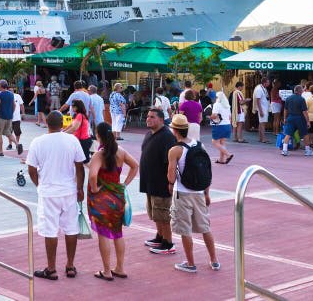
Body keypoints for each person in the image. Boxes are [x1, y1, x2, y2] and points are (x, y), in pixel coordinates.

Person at [26, 111, 86, 281]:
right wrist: (80, 188)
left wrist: (39, 184)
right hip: (68, 190)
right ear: (62, 124)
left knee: (50, 230)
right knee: (71, 228)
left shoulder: (38, 141)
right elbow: (80, 166)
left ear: (47, 123)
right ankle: (70, 265)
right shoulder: (72, 140)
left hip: (48, 192)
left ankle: (51, 268)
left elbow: (31, 168)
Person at [166, 115, 219, 273]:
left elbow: (171, 176)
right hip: (199, 192)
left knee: (185, 229)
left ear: (174, 131)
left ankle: (190, 263)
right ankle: (214, 260)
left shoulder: (175, 150)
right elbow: (206, 171)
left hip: (182, 193)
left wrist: (170, 185)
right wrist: (206, 193)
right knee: (205, 227)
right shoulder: (199, 146)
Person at [87, 122, 139, 280]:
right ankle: (120, 268)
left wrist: (95, 189)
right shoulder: (120, 151)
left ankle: (107, 271)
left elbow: (93, 175)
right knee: (117, 233)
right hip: (117, 197)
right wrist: (125, 184)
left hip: (102, 198)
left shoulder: (99, 154)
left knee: (103, 234)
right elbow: (135, 165)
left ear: (98, 135)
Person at [141, 108, 177, 255]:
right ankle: (160, 236)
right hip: (150, 182)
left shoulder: (167, 137)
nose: (148, 119)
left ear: (162, 120)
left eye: (152, 117)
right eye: (148, 116)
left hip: (161, 183)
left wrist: (170, 182)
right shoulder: (150, 133)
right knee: (154, 213)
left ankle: (168, 243)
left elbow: (170, 163)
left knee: (162, 214)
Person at [282, 85, 313, 157]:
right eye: (302, 90)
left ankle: (284, 150)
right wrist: (308, 121)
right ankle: (307, 150)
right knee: (305, 134)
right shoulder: (301, 99)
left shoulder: (288, 98)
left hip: (290, 117)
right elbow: (304, 112)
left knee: (288, 133)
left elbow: (285, 110)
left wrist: (284, 118)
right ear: (300, 91)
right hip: (300, 118)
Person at [0, 80, 20, 156]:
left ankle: (1, 151)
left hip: (1, 116)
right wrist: (11, 113)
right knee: (8, 132)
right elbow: (14, 105)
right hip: (9, 117)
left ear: (1, 86)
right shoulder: (11, 94)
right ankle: (17, 144)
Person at [210, 91, 234, 164]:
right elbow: (230, 117)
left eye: (216, 97)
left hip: (219, 126)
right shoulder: (227, 106)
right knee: (222, 142)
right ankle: (221, 159)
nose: (215, 98)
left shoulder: (216, 104)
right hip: (227, 125)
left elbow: (214, 115)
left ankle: (228, 155)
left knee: (214, 142)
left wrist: (209, 116)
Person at [252, 77, 271, 143]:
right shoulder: (259, 89)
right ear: (264, 82)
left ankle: (261, 138)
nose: (269, 83)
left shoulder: (263, 88)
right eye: (268, 82)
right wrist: (261, 111)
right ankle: (263, 139)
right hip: (262, 108)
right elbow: (258, 100)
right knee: (262, 124)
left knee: (261, 124)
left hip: (264, 108)